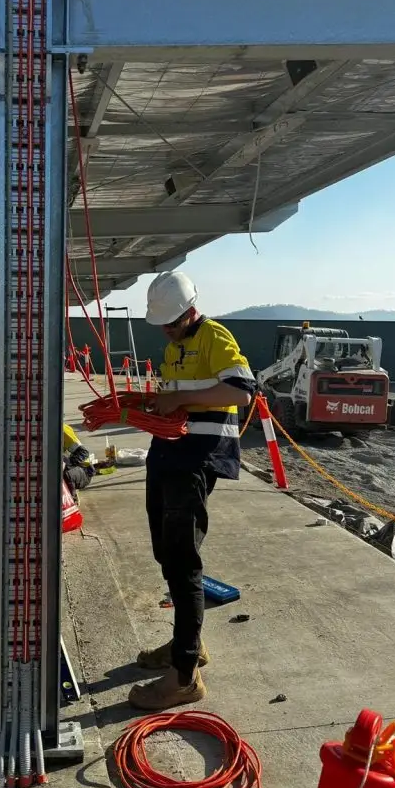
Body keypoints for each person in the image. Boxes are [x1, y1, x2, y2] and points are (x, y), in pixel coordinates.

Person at [128, 271, 255, 711]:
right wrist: (150, 403)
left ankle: (184, 676)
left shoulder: (214, 337)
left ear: (189, 311)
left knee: (183, 561)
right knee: (166, 551)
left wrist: (181, 400)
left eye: (170, 321)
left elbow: (240, 391)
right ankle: (189, 643)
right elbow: (176, 398)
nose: (164, 329)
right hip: (168, 453)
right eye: (160, 323)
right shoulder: (173, 346)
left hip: (197, 458)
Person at [63, 423, 94, 496]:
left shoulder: (62, 430)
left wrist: (66, 464)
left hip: (83, 472)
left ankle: (72, 497)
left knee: (61, 468)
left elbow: (83, 453)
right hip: (71, 467)